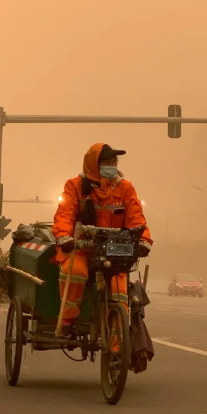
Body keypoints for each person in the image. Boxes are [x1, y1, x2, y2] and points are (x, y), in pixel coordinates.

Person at [53, 143, 153, 338]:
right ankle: (67, 319)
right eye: (107, 162)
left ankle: (116, 349)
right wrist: (64, 237)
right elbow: (64, 214)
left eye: (113, 162)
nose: (112, 166)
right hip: (81, 249)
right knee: (74, 273)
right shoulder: (74, 186)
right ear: (94, 165)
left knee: (119, 292)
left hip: (114, 251)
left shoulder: (126, 188)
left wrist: (143, 240)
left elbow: (136, 218)